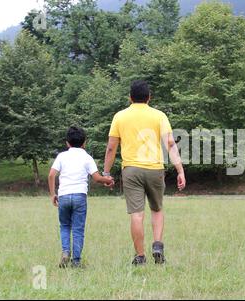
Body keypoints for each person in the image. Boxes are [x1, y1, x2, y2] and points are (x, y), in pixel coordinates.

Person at [103, 80, 186, 266]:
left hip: (131, 170)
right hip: (155, 169)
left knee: (137, 214)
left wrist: (106, 173)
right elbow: (171, 144)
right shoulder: (159, 116)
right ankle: (157, 245)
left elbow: (111, 148)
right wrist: (180, 170)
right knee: (156, 210)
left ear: (130, 97)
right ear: (149, 97)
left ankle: (140, 256)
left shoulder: (120, 117)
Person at [48, 127, 114, 268]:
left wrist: (53, 194)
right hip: (79, 196)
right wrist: (107, 180)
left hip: (64, 195)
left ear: (67, 143)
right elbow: (96, 178)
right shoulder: (86, 157)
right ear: (84, 143)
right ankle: (76, 261)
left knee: (65, 226)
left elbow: (51, 175)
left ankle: (66, 252)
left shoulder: (61, 156)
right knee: (78, 229)